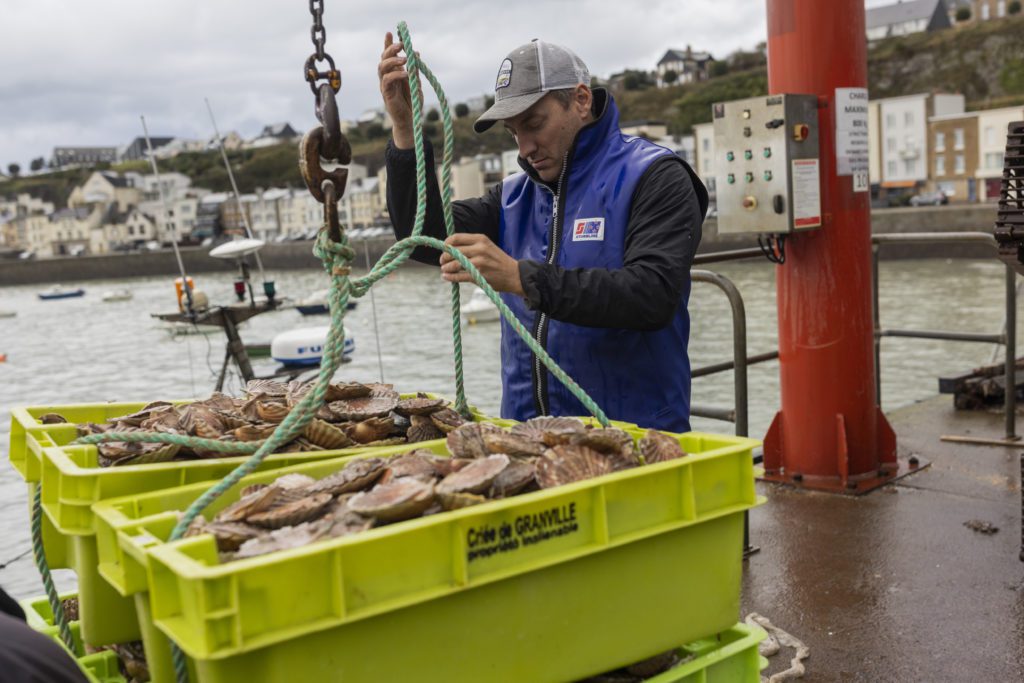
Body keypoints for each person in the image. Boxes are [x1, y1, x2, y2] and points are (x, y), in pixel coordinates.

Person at [379, 34, 707, 431]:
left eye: (535, 124)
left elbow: (651, 294)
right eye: (513, 132)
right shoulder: (512, 196)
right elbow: (423, 234)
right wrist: (404, 127)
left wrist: (521, 278)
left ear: (581, 100)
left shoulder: (655, 175)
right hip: (528, 437)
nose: (525, 147)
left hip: (633, 435)